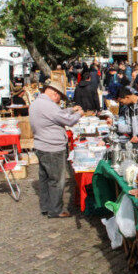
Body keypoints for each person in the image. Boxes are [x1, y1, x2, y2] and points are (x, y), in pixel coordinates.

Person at [29, 81, 84, 218]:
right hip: (52, 147)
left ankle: (46, 206)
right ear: (55, 94)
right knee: (56, 180)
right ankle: (56, 210)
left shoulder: (37, 103)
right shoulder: (48, 106)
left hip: (41, 145)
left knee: (45, 179)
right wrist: (79, 114)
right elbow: (69, 121)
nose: (59, 101)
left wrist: (71, 110)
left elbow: (57, 114)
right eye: (60, 98)